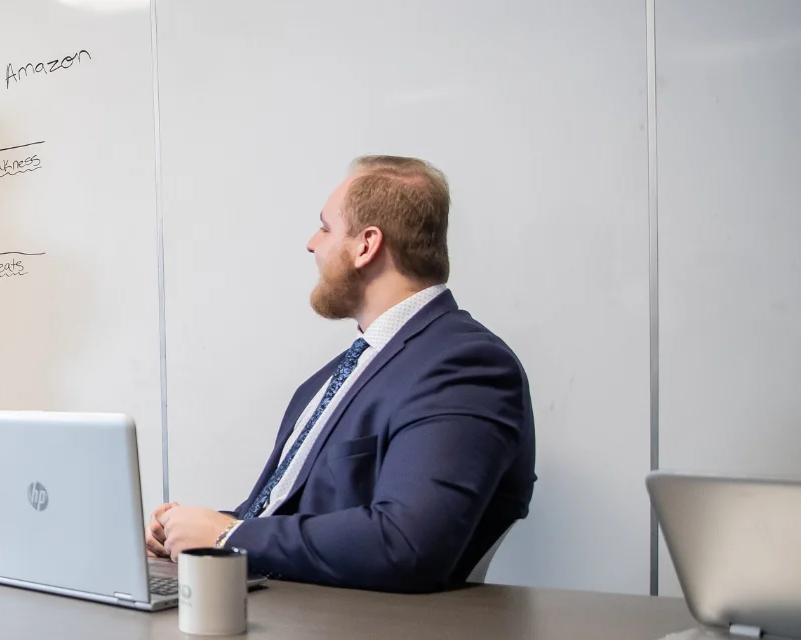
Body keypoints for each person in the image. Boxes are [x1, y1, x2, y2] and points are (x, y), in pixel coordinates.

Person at [149, 156, 537, 594]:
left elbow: (408, 543)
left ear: (366, 245)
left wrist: (227, 539)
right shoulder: (327, 380)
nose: (311, 244)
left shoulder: (467, 364)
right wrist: (187, 535)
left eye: (325, 228)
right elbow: (278, 516)